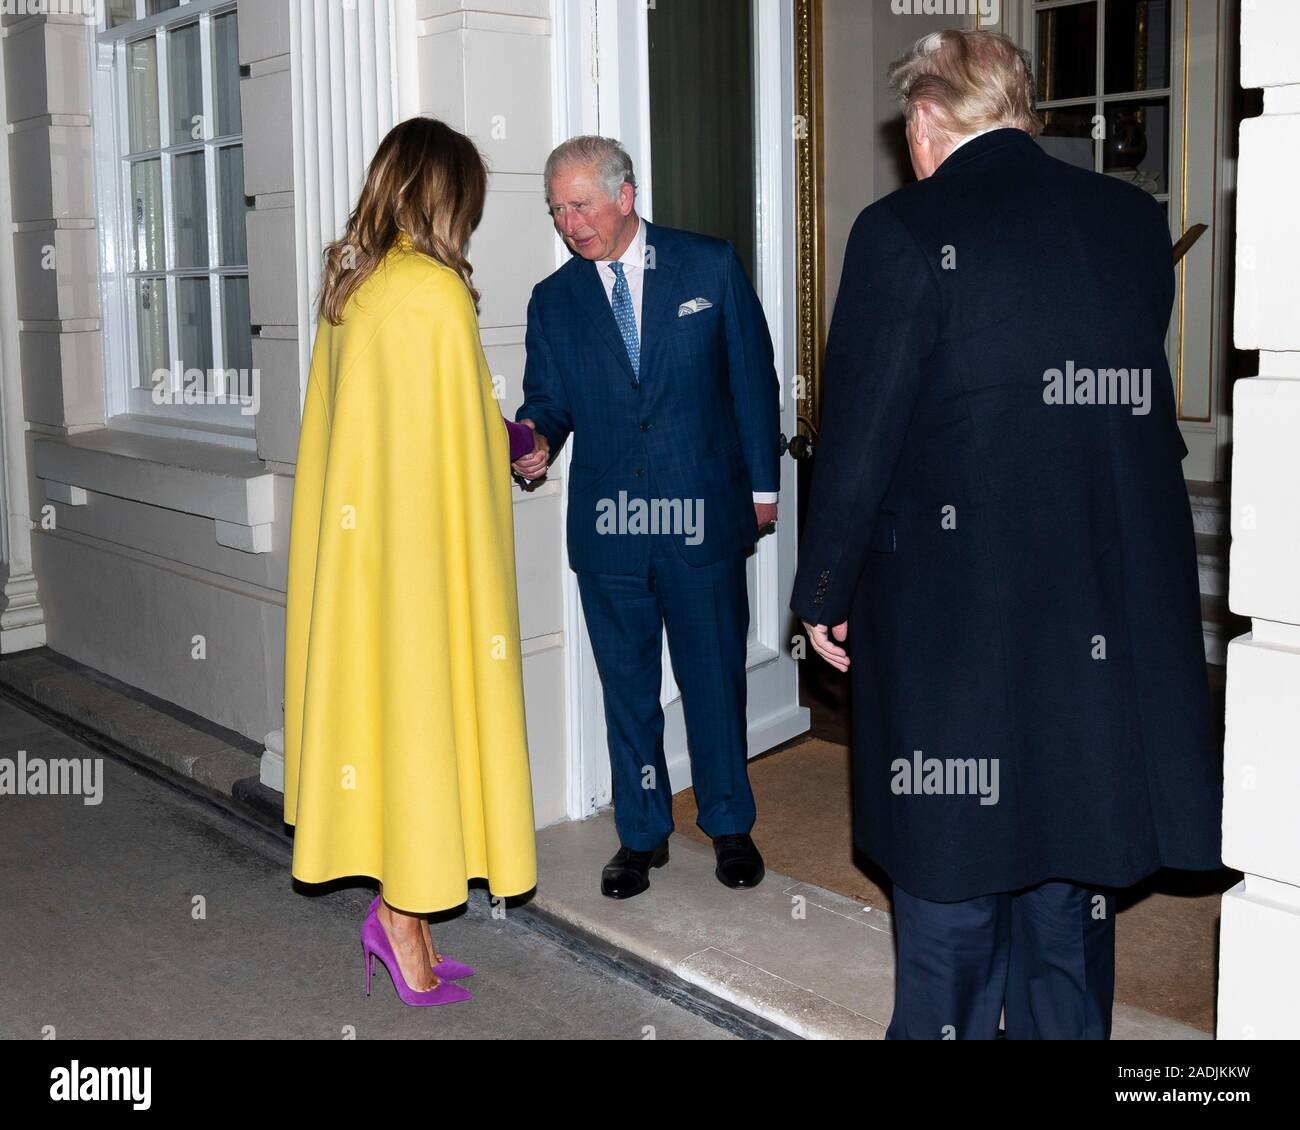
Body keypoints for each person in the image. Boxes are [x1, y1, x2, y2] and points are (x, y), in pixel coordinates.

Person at [792, 30, 1222, 1039]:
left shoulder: (901, 231)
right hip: (1097, 609)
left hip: (955, 622)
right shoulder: (1128, 222)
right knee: (1068, 887)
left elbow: (859, 444)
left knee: (952, 892)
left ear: (929, 121)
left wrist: (822, 593)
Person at [283, 117, 539, 1006]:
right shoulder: (430, 293)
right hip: (423, 556)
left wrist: (490, 429)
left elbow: (386, 429)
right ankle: (400, 919)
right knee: (425, 717)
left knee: (388, 720)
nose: (469, 219)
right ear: (443, 193)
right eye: (466, 198)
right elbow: (454, 432)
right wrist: (509, 439)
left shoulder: (354, 288)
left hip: (367, 555)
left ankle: (406, 916)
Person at [513, 136, 781, 899]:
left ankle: (730, 824)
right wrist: (533, 445)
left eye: (582, 205)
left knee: (713, 678)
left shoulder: (707, 265)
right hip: (611, 528)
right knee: (626, 687)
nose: (570, 223)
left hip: (701, 512)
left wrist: (764, 489)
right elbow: (548, 404)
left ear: (625, 196)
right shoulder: (553, 299)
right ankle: (641, 834)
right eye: (558, 210)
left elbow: (752, 381)